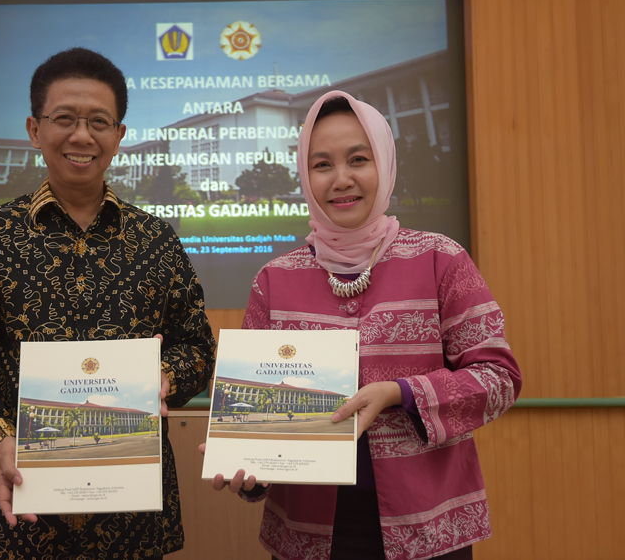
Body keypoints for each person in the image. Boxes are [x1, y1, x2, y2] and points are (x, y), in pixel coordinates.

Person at [0, 48, 217, 559]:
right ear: (34, 130)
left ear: (119, 136)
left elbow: (196, 347)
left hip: (131, 516)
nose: (82, 136)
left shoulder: (156, 240)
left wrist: (165, 376)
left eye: (99, 122)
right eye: (64, 119)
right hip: (19, 510)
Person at [209, 90, 522, 560]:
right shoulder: (274, 279)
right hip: (307, 534)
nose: (342, 179)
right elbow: (257, 420)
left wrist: (401, 393)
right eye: (322, 165)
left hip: (429, 528)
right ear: (305, 175)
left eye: (359, 159)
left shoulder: (441, 259)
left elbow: (499, 378)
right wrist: (249, 467)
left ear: (385, 163)